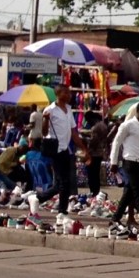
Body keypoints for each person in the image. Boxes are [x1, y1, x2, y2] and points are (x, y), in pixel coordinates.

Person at [38, 84, 91, 215]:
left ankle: (39, 198)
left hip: (66, 149)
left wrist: (84, 148)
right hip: (56, 150)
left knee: (62, 183)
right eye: (65, 93)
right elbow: (44, 133)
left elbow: (74, 133)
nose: (69, 95)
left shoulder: (69, 109)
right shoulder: (50, 109)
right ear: (58, 94)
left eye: (69, 93)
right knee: (64, 182)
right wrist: (45, 120)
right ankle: (62, 211)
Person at [108, 99, 139, 235]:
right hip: (129, 162)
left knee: (129, 192)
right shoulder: (127, 125)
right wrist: (113, 162)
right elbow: (116, 143)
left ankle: (115, 218)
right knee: (138, 191)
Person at [83, 111, 109, 196]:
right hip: (100, 152)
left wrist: (85, 140)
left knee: (92, 174)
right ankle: (96, 191)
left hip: (94, 153)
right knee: (96, 174)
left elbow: (94, 142)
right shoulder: (103, 125)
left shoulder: (95, 127)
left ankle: (93, 191)